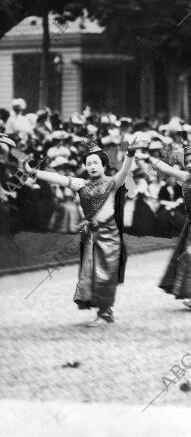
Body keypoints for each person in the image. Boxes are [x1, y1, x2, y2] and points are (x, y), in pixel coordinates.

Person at [23, 140, 137, 326]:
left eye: (95, 163)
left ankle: (104, 312)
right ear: (85, 166)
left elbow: (124, 171)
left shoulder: (112, 183)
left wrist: (130, 154)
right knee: (91, 274)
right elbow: (58, 178)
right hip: (91, 235)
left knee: (105, 274)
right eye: (88, 163)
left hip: (109, 236)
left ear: (103, 165)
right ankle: (105, 311)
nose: (92, 166)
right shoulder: (80, 184)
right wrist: (32, 172)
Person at [142, 144, 191, 311]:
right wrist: (146, 156)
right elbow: (166, 168)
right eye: (187, 162)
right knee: (189, 259)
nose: (190, 164)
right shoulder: (185, 176)